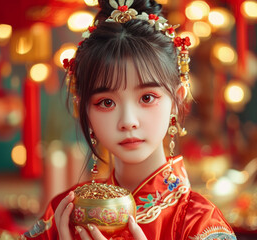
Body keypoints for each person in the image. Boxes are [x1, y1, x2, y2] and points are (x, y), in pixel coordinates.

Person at [21, 0, 237, 239]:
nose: (128, 121)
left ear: (176, 100)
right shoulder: (66, 211)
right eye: (106, 102)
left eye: (147, 97)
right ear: (83, 109)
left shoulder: (201, 225)